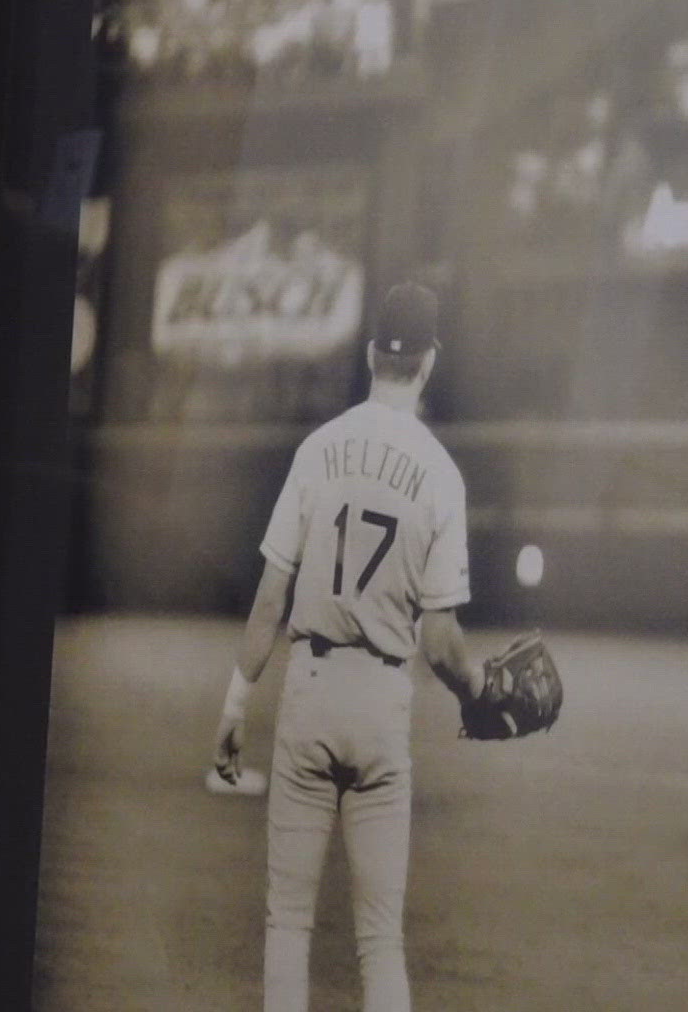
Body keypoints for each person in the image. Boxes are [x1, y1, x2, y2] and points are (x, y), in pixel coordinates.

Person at [212, 281, 484, 1012]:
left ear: (371, 355)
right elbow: (441, 640)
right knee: (379, 942)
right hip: (381, 701)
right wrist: (478, 689)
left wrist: (235, 711)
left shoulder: (318, 448)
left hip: (309, 688)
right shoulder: (440, 475)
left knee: (288, 924)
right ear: (429, 361)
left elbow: (271, 598)